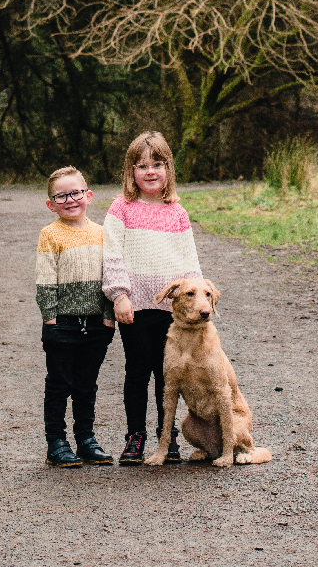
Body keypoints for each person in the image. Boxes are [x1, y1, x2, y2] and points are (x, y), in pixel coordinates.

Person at [103, 131, 202, 465]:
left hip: (171, 311)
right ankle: (135, 436)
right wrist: (119, 295)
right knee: (137, 371)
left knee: (168, 375)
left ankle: (166, 436)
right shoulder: (122, 208)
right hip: (136, 307)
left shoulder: (177, 212)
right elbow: (112, 255)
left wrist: (197, 304)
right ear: (131, 171)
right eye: (141, 165)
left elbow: (191, 263)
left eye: (157, 164)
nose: (150, 171)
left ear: (168, 168)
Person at [36, 166, 116, 467]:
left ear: (89, 195)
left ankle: (85, 439)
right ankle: (56, 443)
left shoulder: (102, 234)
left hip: (97, 325)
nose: (70, 200)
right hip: (63, 325)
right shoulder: (50, 235)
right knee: (59, 384)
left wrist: (109, 316)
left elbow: (110, 278)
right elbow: (45, 280)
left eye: (76, 193)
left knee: (86, 384)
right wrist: (51, 318)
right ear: (51, 204)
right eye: (61, 196)